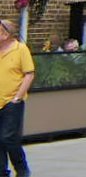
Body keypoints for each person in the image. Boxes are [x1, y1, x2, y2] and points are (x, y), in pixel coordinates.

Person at [0, 17, 35, 177]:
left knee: (9, 138)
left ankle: (21, 168)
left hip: (11, 101)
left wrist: (18, 97)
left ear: (6, 34)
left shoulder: (20, 49)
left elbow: (29, 74)